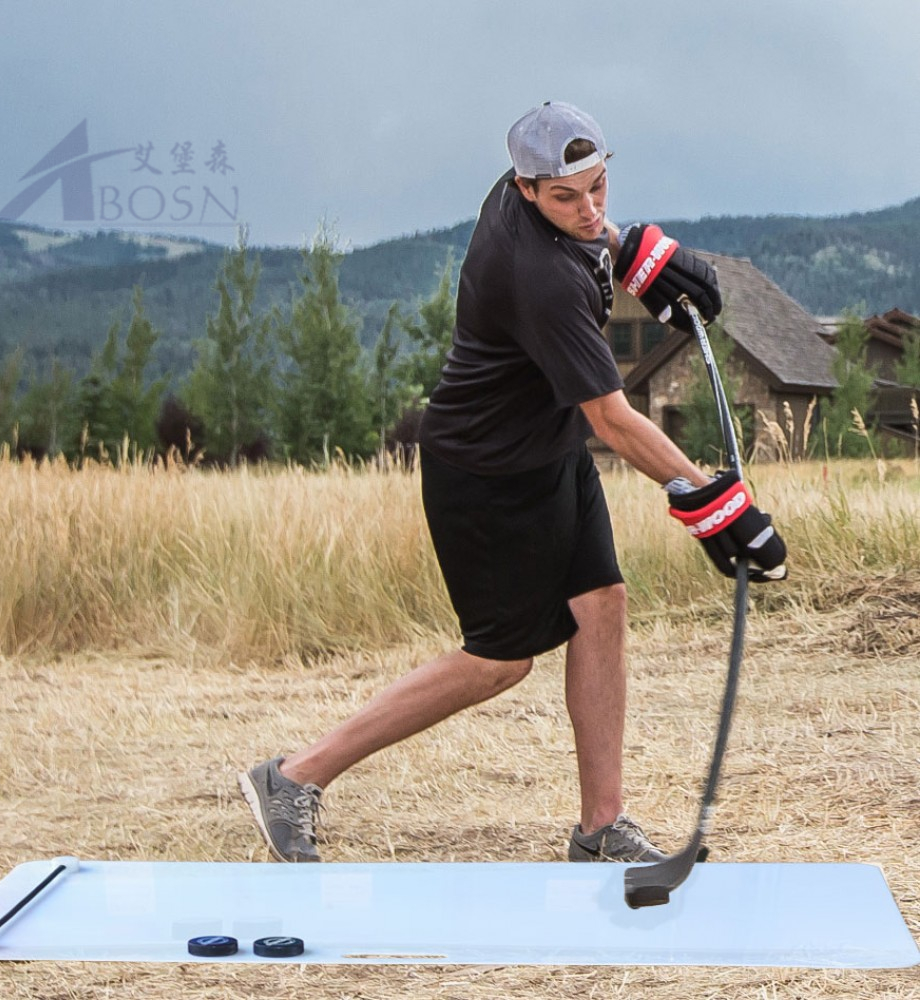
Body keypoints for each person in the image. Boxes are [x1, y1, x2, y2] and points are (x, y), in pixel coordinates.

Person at [238, 101, 787, 864]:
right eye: (567, 197)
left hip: (546, 449)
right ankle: (293, 777)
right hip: (485, 473)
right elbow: (614, 420)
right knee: (500, 659)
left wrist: (634, 254)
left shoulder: (534, 197)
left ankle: (601, 827)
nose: (589, 209)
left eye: (600, 188)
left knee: (602, 606)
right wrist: (713, 502)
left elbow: (594, 237)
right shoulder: (540, 278)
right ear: (526, 190)